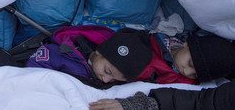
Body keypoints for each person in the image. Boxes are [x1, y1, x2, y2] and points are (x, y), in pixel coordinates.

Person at [89, 34, 235, 110]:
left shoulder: (185, 82)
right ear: (187, 45)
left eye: (194, 74)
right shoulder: (156, 41)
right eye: (190, 63)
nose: (186, 71)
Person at [26, 26, 194, 89]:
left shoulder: (106, 80)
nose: (106, 80)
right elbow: (31, 72)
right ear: (99, 52)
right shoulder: (61, 54)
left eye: (114, 79)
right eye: (107, 71)